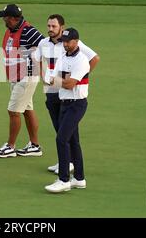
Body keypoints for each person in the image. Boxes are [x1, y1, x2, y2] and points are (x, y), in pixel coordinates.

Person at [33, 14, 99, 174]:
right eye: (48, 26)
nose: (50, 29)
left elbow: (94, 58)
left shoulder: (72, 44)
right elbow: (36, 59)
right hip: (51, 92)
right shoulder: (43, 43)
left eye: (53, 26)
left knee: (66, 132)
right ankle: (66, 161)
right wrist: (43, 75)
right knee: (59, 128)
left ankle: (69, 165)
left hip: (68, 92)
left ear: (61, 27)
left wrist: (79, 77)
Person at [0, 4, 45, 158]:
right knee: (27, 110)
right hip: (16, 76)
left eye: (5, 17)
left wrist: (31, 56)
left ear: (14, 18)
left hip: (26, 77)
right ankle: (35, 145)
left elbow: (45, 47)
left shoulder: (29, 31)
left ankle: (10, 146)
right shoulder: (11, 30)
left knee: (13, 111)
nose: (3, 20)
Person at [45, 28, 90, 193]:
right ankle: (79, 178)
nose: (65, 44)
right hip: (64, 103)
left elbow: (70, 84)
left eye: (68, 41)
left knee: (61, 139)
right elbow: (53, 79)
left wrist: (57, 80)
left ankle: (63, 179)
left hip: (77, 104)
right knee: (73, 141)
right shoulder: (62, 58)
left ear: (76, 41)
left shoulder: (82, 60)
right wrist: (58, 80)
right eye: (63, 41)